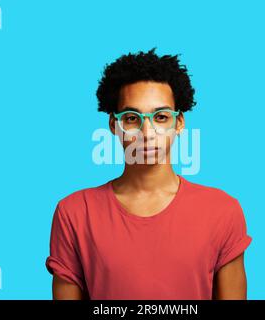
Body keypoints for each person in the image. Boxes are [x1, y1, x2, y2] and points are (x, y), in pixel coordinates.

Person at [45, 48, 252, 300]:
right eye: (132, 118)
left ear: (179, 123)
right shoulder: (74, 213)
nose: (148, 131)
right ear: (114, 125)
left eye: (161, 116)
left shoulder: (222, 211)